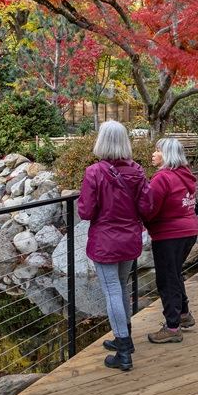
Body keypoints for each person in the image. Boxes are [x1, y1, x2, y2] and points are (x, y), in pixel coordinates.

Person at [77, 121, 151, 371]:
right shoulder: (138, 171)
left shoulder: (94, 172)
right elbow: (146, 207)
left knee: (112, 290)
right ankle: (125, 336)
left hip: (105, 240)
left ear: (101, 140)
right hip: (130, 236)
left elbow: (86, 212)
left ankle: (123, 350)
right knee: (121, 286)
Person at [142, 138, 198, 344]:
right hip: (189, 230)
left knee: (167, 279)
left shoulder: (162, 178)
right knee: (174, 274)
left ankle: (172, 327)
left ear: (166, 154)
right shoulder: (185, 175)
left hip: (169, 234)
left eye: (157, 150)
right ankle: (183, 314)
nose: (153, 154)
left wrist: (137, 218)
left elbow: (150, 208)